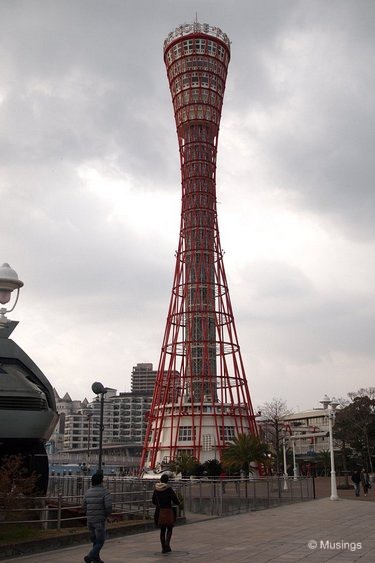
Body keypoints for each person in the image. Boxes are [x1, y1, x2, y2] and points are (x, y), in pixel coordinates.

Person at [83, 471, 112, 563]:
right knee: (100, 542)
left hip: (90, 520)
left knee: (95, 541)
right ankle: (90, 556)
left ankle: (97, 560)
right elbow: (108, 507)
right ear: (101, 481)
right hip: (99, 521)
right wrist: (107, 514)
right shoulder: (105, 492)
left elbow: (83, 506)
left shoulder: (87, 492)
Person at [152, 473, 180, 554]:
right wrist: (177, 503)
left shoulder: (156, 489)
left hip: (159, 511)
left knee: (162, 530)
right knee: (170, 528)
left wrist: (159, 504)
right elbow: (175, 500)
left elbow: (153, 500)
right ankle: (167, 545)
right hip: (168, 510)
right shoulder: (169, 489)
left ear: (160, 480)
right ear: (167, 481)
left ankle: (163, 547)